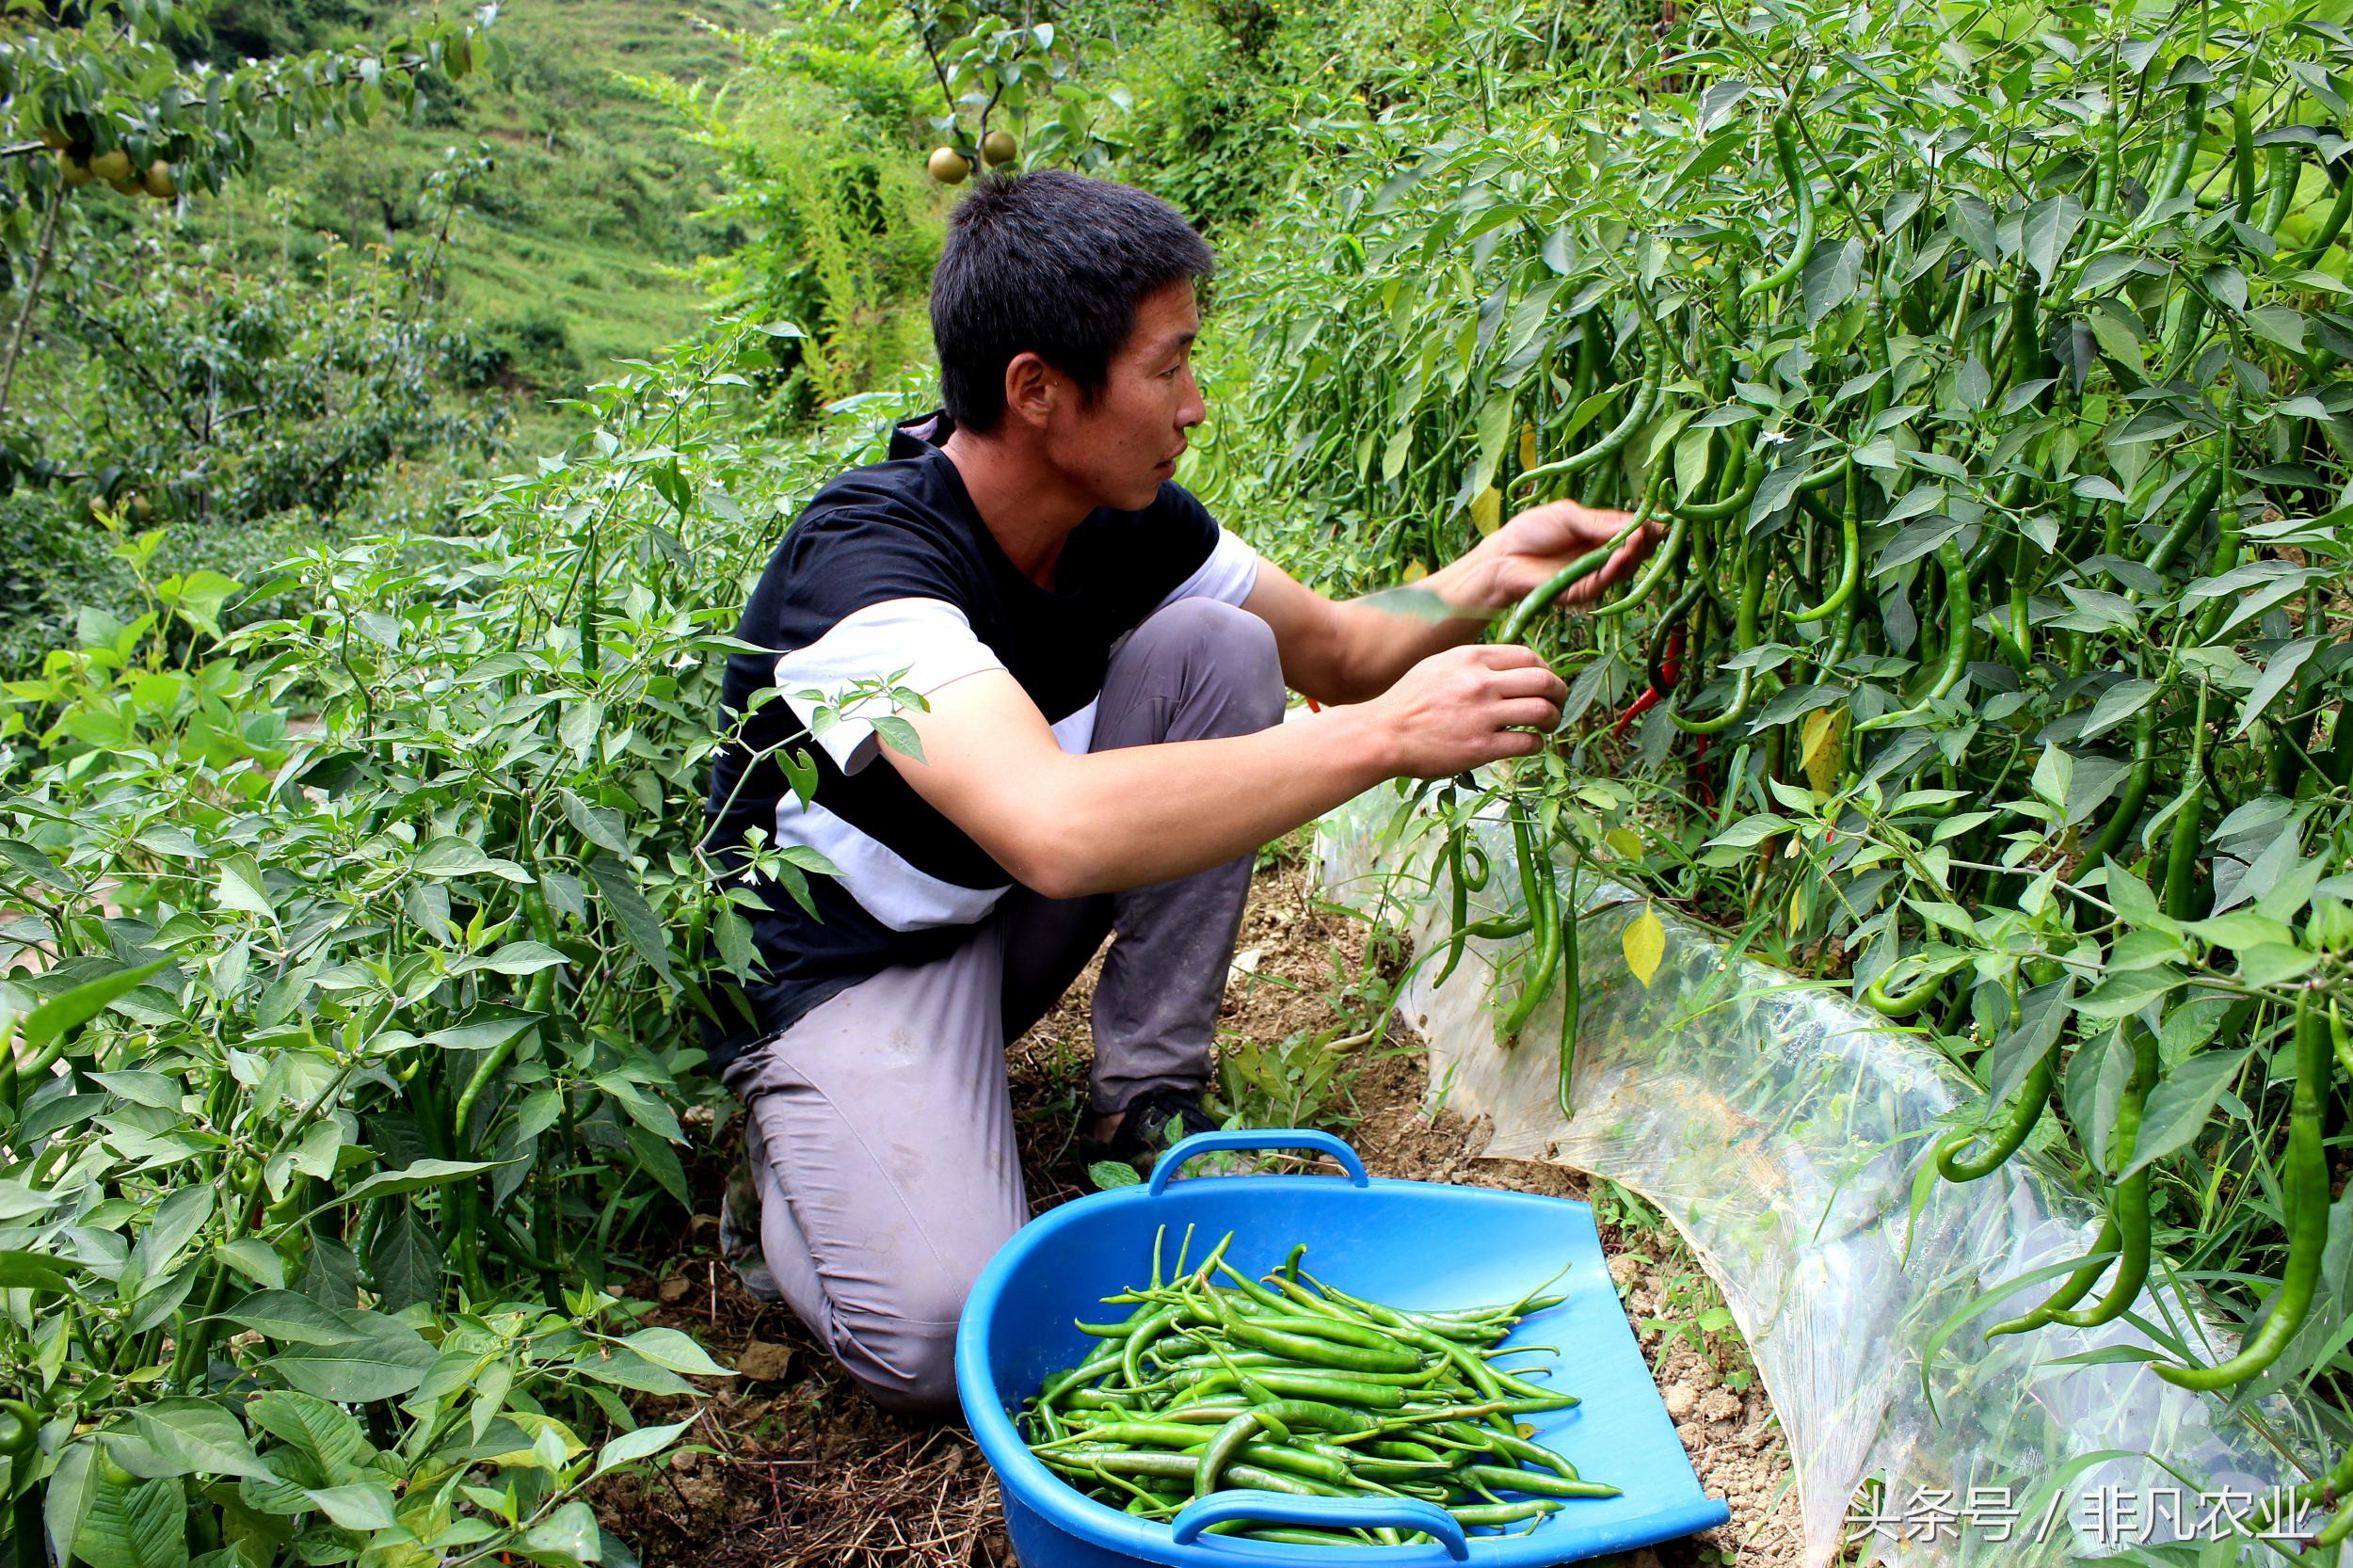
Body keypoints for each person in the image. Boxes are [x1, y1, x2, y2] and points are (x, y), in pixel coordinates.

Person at [701, 169, 1657, 1414]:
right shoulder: (868, 575)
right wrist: (1380, 741)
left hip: (983, 918)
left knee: (1219, 651)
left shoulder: (1131, 521)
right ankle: (791, 1151)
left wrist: (1486, 570)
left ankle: (1142, 1100)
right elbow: (1052, 825)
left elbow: (1341, 650)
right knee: (942, 1339)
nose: (1195, 405)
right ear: (1036, 389)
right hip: (836, 973)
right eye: (1168, 369)